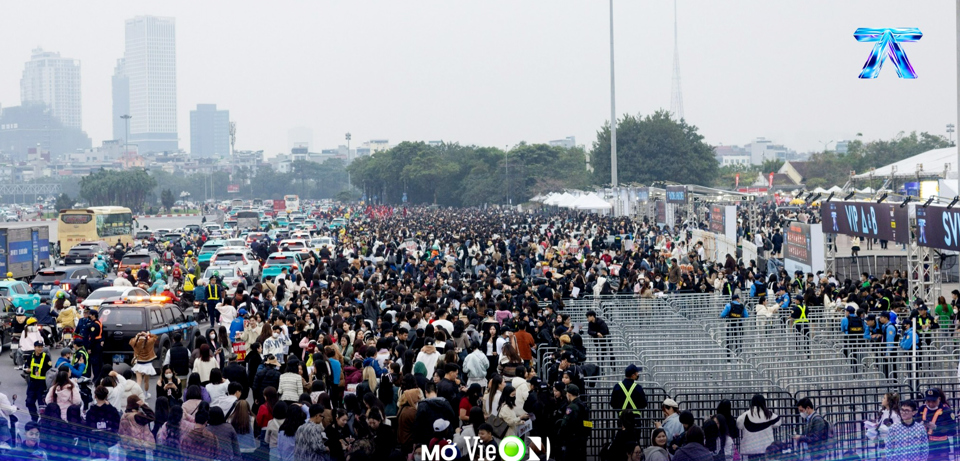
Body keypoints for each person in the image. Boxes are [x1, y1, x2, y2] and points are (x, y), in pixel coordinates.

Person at [737, 393, 781, 460]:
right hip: (766, 446)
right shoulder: (769, 414)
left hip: (751, 447)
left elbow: (739, 425)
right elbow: (778, 422)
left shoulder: (745, 415)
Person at [918, 387, 956, 460]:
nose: (931, 404)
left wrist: (936, 427)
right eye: (928, 401)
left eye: (933, 401)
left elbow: (953, 430)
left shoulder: (946, 410)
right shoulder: (922, 409)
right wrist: (920, 425)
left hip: (941, 445)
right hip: (926, 444)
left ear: (939, 399)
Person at [556, 384, 589, 461]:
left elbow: (564, 424)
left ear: (569, 394)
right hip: (582, 438)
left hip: (572, 439)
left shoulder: (571, 407)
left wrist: (560, 435)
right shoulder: (583, 405)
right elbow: (588, 423)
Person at [118, 395, 156, 461]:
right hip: (139, 448)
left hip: (128, 448)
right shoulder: (137, 416)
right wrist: (143, 405)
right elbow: (152, 416)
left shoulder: (123, 416)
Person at [26, 340, 52, 421]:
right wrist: (27, 370)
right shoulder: (30, 356)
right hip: (32, 383)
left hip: (42, 384)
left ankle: (43, 421)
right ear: (34, 347)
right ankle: (34, 419)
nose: (40, 349)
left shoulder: (46, 357)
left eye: (41, 347)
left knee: (42, 405)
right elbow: (26, 366)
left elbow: (50, 370)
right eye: (38, 347)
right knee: (29, 402)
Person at [129, 331, 158, 399]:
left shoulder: (135, 343)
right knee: (146, 381)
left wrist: (137, 336)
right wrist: (148, 334)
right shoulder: (149, 342)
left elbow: (130, 341)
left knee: (139, 380)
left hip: (139, 363)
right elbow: (155, 337)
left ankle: (138, 394)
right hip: (147, 364)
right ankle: (146, 394)